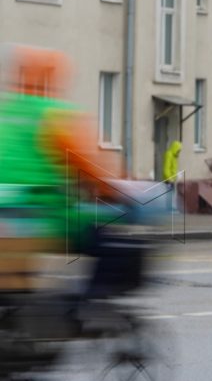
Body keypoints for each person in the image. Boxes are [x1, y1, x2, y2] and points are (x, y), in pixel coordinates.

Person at [0, 45, 122, 292]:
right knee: (113, 246)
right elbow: (90, 168)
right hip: (40, 217)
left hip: (8, 219)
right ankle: (86, 306)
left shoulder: (5, 112)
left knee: (13, 284)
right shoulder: (54, 115)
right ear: (52, 78)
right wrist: (114, 193)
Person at [162, 140, 182, 211]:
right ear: (175, 148)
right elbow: (166, 168)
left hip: (172, 179)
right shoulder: (169, 154)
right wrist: (169, 179)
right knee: (169, 194)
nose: (179, 152)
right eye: (178, 150)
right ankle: (169, 208)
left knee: (171, 194)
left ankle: (170, 208)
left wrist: (176, 175)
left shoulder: (174, 156)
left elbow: (173, 168)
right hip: (168, 179)